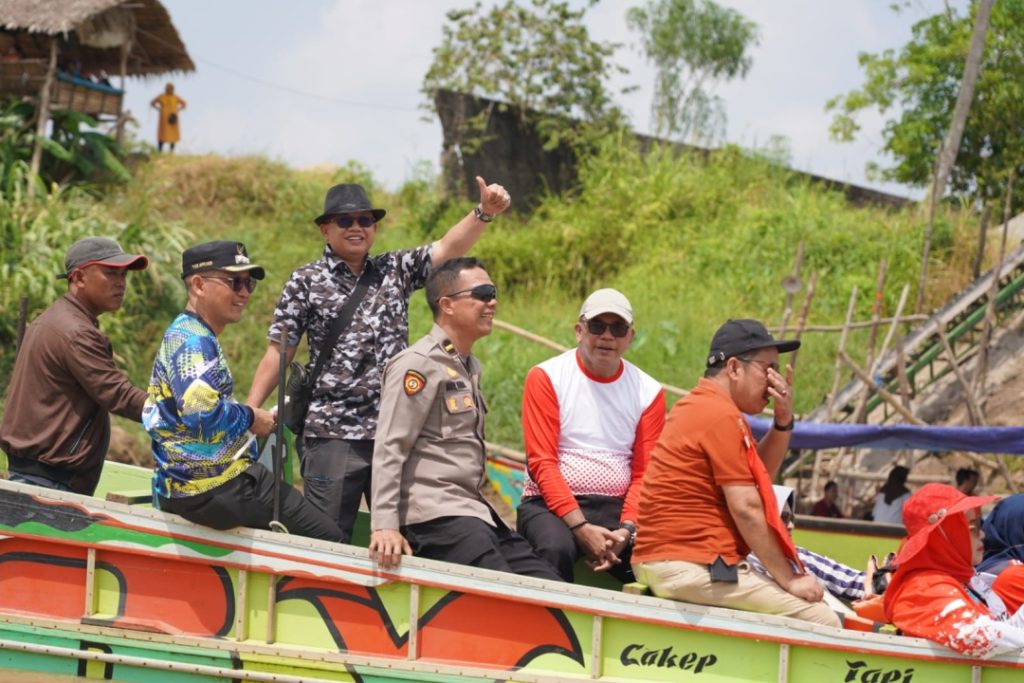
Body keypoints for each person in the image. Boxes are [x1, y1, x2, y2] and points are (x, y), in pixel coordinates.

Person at [246, 180, 512, 543]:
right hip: (332, 434)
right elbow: (280, 351)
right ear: (325, 230)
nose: (356, 227)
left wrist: (484, 213)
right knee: (328, 538)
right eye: (345, 221)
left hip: (395, 433)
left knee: (403, 538)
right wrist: (251, 409)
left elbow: (447, 248)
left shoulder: (394, 269)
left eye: (365, 220)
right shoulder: (305, 281)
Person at [631, 319, 839, 627]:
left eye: (777, 370)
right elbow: (747, 507)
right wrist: (790, 579)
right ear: (733, 368)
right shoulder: (718, 413)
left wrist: (783, 422)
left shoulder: (709, 406)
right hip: (688, 563)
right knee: (822, 619)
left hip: (675, 561)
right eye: (767, 368)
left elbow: (758, 478)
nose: (774, 381)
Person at [368, 257, 560, 580]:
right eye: (482, 294)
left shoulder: (468, 366)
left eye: (493, 294)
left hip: (472, 511)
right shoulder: (417, 364)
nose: (492, 303)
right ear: (447, 305)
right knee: (505, 593)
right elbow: (390, 446)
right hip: (433, 517)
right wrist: (385, 525)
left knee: (547, 585)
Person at [144, 241, 342, 541]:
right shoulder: (194, 342)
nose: (245, 293)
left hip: (188, 486)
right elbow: (202, 417)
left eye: (249, 283)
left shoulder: (188, 332)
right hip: (214, 486)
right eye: (234, 282)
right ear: (198, 285)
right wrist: (251, 417)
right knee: (329, 540)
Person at [516, 288, 665, 582]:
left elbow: (645, 474)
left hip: (617, 509)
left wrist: (627, 529)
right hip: (548, 505)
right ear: (579, 331)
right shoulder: (547, 376)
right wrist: (580, 527)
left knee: (661, 559)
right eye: (597, 326)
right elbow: (542, 463)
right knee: (555, 548)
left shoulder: (649, 391)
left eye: (617, 328)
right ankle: (547, 613)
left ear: (630, 337)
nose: (607, 336)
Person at [0, 237, 149, 495]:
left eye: (124, 274)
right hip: (49, 481)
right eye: (111, 273)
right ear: (79, 278)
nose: (121, 283)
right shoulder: (77, 332)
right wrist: (177, 415)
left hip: (35, 474)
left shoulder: (55, 319)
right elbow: (117, 394)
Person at [883, 483, 1024, 658]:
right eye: (973, 526)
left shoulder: (965, 579)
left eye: (979, 524)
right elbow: (983, 637)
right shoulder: (925, 589)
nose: (982, 535)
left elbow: (1006, 629)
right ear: (944, 532)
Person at [750, 486, 870, 604]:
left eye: (791, 518)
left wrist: (876, 582)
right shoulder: (747, 563)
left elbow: (848, 579)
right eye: (784, 517)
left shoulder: (800, 557)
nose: (791, 525)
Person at [150, 83, 186, 152]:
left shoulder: (175, 97)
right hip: (164, 117)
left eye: (171, 89)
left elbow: (184, 103)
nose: (169, 90)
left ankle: (171, 151)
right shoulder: (161, 96)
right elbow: (152, 102)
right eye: (167, 89)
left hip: (173, 116)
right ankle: (160, 150)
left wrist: (178, 110)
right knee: (162, 133)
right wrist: (158, 108)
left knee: (173, 134)